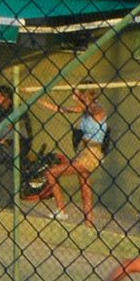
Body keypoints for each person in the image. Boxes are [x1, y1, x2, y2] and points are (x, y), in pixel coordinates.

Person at [24, 87, 105, 223]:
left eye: (84, 97)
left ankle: (61, 210)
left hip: (92, 153)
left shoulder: (98, 108)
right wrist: (38, 98)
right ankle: (89, 221)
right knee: (85, 188)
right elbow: (59, 109)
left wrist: (79, 95)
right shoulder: (83, 110)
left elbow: (90, 109)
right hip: (83, 152)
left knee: (51, 172)